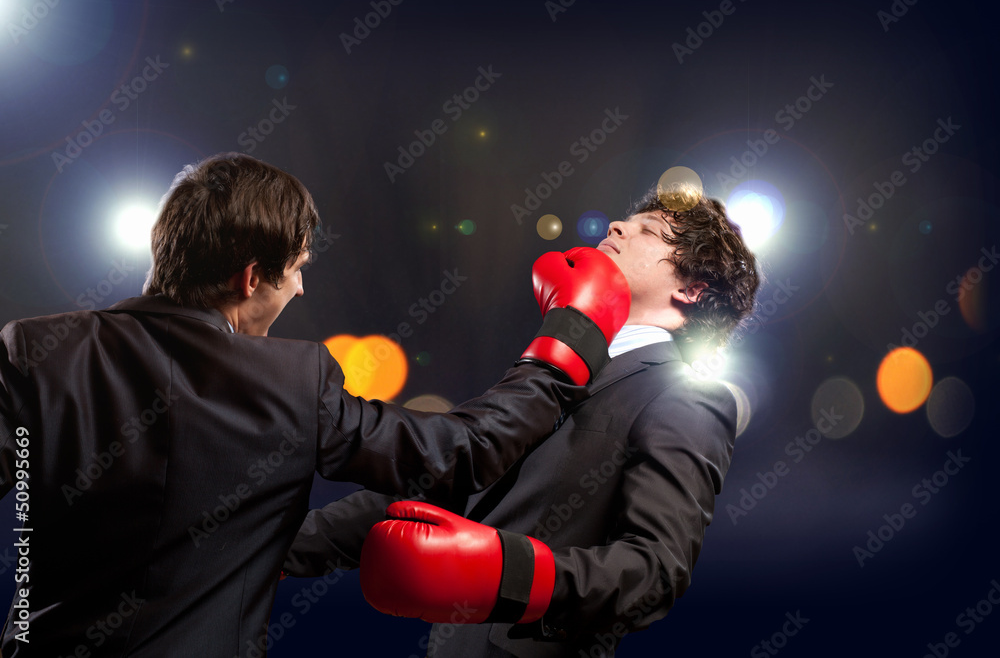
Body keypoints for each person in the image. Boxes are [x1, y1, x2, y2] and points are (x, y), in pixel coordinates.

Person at [0, 153, 630, 656]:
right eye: (297, 268)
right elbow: (464, 452)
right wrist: (571, 338)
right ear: (250, 278)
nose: (302, 285)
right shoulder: (294, 378)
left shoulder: (34, 349)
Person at [283, 184, 761, 657]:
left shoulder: (686, 396)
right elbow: (444, 479)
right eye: (626, 220)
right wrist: (269, 549)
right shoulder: (559, 363)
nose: (617, 226)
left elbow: (655, 571)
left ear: (691, 289)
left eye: (649, 232)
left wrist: (509, 574)